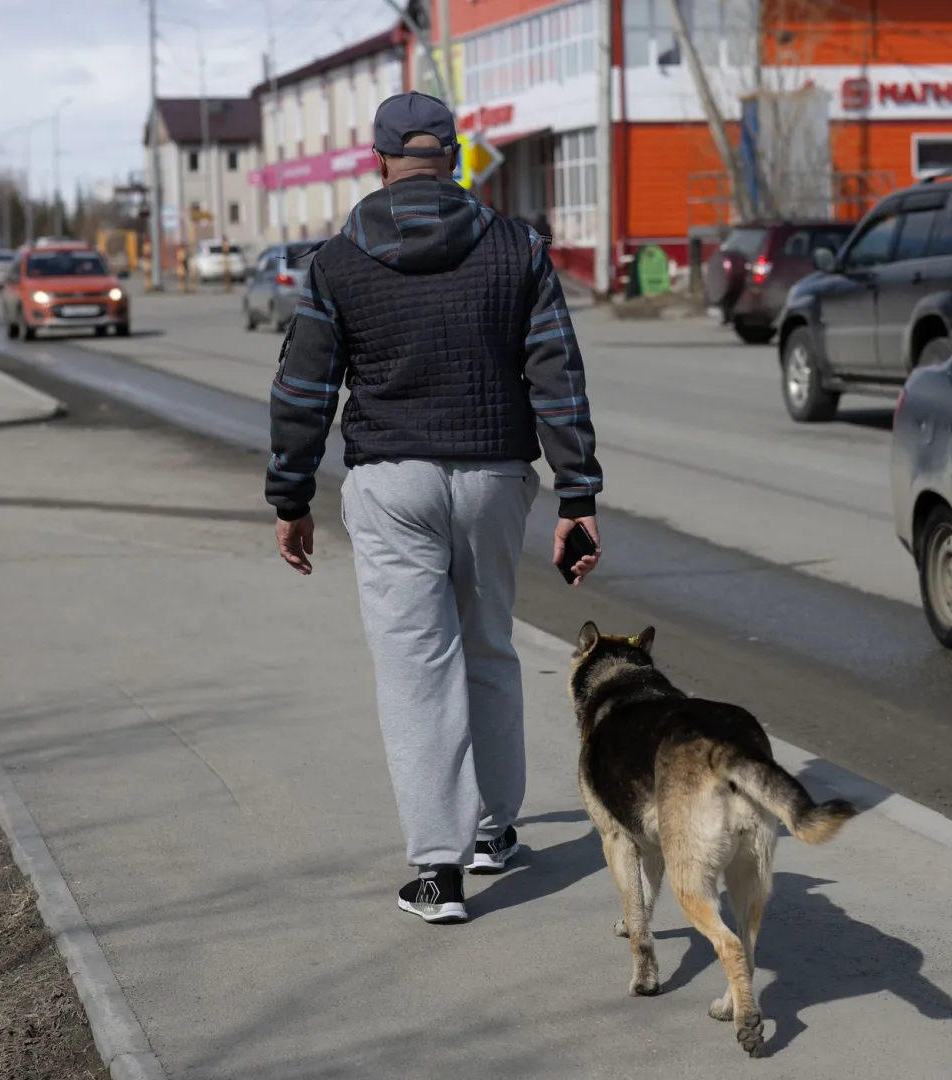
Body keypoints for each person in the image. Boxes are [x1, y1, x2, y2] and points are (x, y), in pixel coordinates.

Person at [264, 91, 604, 925]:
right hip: (493, 477)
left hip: (392, 482)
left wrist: (291, 494)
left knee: (417, 670)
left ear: (377, 161)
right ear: (452, 159)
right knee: (488, 647)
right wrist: (578, 493)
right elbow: (555, 372)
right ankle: (493, 832)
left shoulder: (338, 260)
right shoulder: (517, 247)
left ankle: (438, 874)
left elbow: (303, 388)